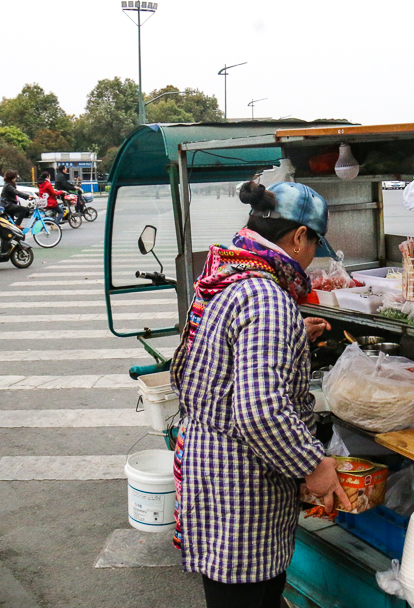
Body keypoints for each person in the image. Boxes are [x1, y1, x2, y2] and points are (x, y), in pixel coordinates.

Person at [169, 181, 348, 608]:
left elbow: (224, 355)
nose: (313, 255)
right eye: (314, 244)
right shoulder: (268, 300)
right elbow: (260, 412)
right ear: (299, 236)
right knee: (246, 595)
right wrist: (314, 465)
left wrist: (291, 335)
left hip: (211, 466)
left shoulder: (233, 273)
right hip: (242, 486)